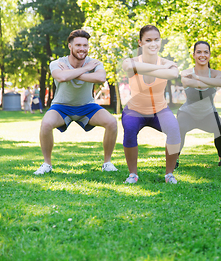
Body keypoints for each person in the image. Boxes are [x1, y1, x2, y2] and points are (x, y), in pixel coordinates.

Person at [34, 29, 118, 175]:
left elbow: (100, 78)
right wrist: (85, 70)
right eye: (78, 45)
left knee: (112, 122)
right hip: (61, 107)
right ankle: (47, 164)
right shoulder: (58, 63)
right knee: (46, 124)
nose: (82, 49)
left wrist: (71, 74)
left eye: (85, 45)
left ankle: (107, 163)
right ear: (70, 46)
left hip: (87, 106)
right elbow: (60, 77)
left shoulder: (95, 63)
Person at [121, 25, 181, 184]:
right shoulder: (131, 61)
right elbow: (128, 67)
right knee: (129, 130)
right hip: (135, 111)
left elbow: (174, 74)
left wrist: (142, 68)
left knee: (174, 130)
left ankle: (169, 174)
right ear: (140, 43)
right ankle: (132, 174)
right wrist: (161, 68)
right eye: (148, 40)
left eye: (156, 40)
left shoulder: (168, 63)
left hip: (160, 110)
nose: (153, 43)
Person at [177, 41, 221, 168]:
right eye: (199, 52)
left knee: (220, 127)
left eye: (206, 52)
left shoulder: (216, 73)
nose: (203, 55)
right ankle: (175, 159)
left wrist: (197, 77)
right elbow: (194, 84)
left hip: (208, 113)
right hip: (187, 113)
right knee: (179, 128)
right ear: (194, 55)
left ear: (210, 55)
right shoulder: (185, 73)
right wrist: (212, 82)